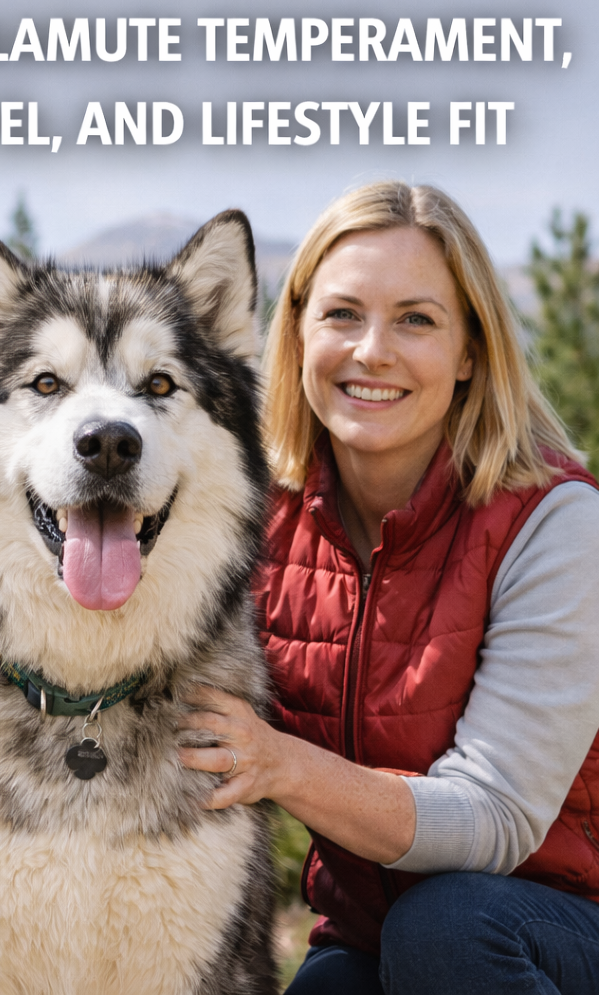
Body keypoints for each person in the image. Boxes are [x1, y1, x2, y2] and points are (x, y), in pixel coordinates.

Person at [179, 181, 599, 994]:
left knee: (449, 929)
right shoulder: (255, 516)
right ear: (297, 333)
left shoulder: (556, 524)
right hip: (372, 934)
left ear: (471, 350)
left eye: (416, 319)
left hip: (559, 923)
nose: (372, 350)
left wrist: (280, 764)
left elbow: (495, 822)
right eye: (341, 314)